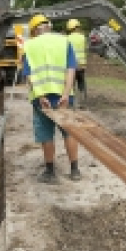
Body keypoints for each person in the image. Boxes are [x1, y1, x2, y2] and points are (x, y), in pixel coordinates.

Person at [23, 14, 81, 183]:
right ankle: (75, 170)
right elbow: (71, 70)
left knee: (46, 134)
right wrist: (66, 93)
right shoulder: (64, 41)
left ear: (34, 30)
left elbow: (30, 75)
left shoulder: (30, 45)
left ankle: (50, 172)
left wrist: (41, 95)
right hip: (63, 97)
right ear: (48, 26)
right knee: (69, 131)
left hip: (41, 100)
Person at [65, 18, 87, 107]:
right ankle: (82, 102)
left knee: (71, 83)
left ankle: (72, 103)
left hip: (72, 65)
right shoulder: (83, 37)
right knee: (81, 83)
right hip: (82, 65)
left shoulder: (67, 38)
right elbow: (85, 50)